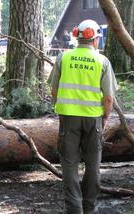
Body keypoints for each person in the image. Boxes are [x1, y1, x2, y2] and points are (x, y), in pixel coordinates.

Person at [50, 19, 118, 213]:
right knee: (93, 166)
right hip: (93, 120)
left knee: (70, 167)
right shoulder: (102, 61)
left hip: (68, 120)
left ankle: (74, 210)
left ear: (76, 37)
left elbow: (54, 91)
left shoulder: (63, 58)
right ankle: (89, 208)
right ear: (96, 40)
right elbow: (108, 99)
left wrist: (62, 109)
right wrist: (104, 118)